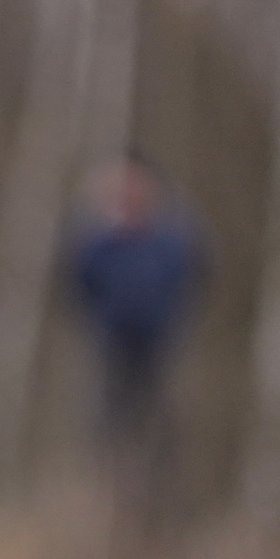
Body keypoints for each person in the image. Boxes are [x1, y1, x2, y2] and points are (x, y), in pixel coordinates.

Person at [69, 154, 205, 443]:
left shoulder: (171, 239)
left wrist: (174, 315)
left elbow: (196, 276)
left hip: (162, 341)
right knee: (110, 413)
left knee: (162, 414)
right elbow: (79, 281)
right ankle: (111, 473)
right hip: (111, 340)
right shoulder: (98, 241)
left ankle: (156, 475)